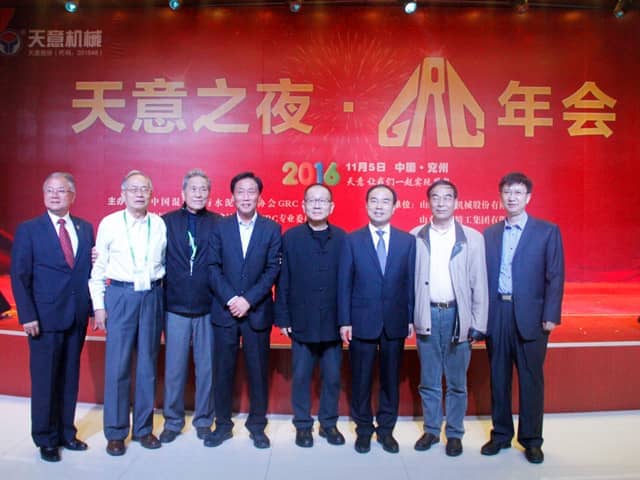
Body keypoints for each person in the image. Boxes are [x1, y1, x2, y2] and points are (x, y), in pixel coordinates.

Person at [481, 172, 564, 464]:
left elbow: (555, 276)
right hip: (498, 314)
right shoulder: (489, 234)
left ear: (528, 197)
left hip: (532, 316)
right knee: (498, 378)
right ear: (500, 197)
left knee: (531, 380)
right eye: (507, 192)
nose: (512, 197)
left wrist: (551, 314)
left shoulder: (546, 231)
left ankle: (531, 440)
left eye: (517, 192)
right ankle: (501, 435)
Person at [10, 172, 94, 462]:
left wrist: (92, 308)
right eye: (49, 190)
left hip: (76, 315)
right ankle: (45, 438)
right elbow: (20, 275)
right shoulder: (29, 229)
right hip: (43, 318)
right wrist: (27, 315)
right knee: (45, 380)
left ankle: (66, 433)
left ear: (73, 195)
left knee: (70, 378)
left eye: (61, 190)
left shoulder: (85, 228)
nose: (55, 195)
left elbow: (86, 271)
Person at [89, 170, 167, 456]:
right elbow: (98, 267)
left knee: (148, 365)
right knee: (118, 366)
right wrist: (99, 305)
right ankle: (115, 432)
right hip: (120, 295)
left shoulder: (159, 223)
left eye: (144, 189)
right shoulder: (109, 223)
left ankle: (144, 429)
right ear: (122, 194)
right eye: (133, 189)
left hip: (152, 295)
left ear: (151, 193)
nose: (139, 193)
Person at [410, 179, 488, 457]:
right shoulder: (416, 236)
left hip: (458, 315)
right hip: (428, 314)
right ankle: (432, 430)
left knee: (457, 382)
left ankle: (454, 433)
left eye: (447, 197)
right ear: (428, 202)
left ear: (456, 202)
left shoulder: (472, 238)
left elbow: (479, 282)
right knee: (429, 379)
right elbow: (409, 283)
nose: (441, 202)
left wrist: (478, 322)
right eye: (435, 197)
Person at [204, 171, 281, 449]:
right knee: (222, 371)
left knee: (258, 372)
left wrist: (248, 300)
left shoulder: (272, 228)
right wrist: (231, 299)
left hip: (257, 312)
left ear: (259, 196)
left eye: (251, 192)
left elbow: (272, 269)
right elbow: (212, 267)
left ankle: (257, 426)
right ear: (233, 196)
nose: (246, 197)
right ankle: (223, 425)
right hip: (225, 312)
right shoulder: (220, 227)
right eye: (241, 192)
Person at [338, 184, 416, 454]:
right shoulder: (352, 240)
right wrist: (345, 320)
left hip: (395, 320)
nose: (379, 206)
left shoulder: (407, 241)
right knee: (360, 379)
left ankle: (386, 430)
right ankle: (363, 430)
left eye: (385, 201)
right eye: (374, 200)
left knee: (390, 379)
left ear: (395, 207)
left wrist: (410, 317)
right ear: (366, 205)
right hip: (361, 320)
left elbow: (410, 282)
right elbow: (344, 283)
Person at [274, 183, 346, 448]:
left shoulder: (343, 238)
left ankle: (328, 424)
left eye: (322, 200)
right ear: (303, 205)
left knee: (333, 377)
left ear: (331, 206)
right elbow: (283, 280)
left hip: (333, 322)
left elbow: (348, 282)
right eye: (312, 200)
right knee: (301, 376)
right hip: (301, 321)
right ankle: (303, 425)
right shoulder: (291, 238)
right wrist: (283, 317)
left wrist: (347, 320)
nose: (317, 205)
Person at [159, 169, 221, 444]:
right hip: (175, 307)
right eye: (193, 188)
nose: (198, 193)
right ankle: (172, 421)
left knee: (206, 369)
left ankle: (204, 420)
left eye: (203, 189)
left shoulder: (219, 223)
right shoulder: (166, 222)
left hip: (208, 307)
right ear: (182, 193)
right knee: (174, 369)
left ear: (209, 194)